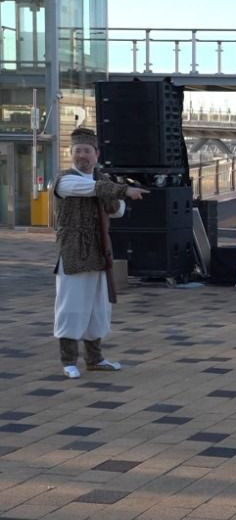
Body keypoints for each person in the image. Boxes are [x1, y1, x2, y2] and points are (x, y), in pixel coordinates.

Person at [52, 127, 148, 379]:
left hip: (99, 252)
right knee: (71, 307)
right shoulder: (64, 180)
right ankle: (68, 361)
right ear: (71, 153)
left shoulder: (102, 181)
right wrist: (122, 190)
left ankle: (95, 359)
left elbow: (117, 210)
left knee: (98, 308)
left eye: (86, 151)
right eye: (77, 151)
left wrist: (114, 192)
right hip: (73, 253)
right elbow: (91, 189)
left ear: (96, 154)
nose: (81, 155)